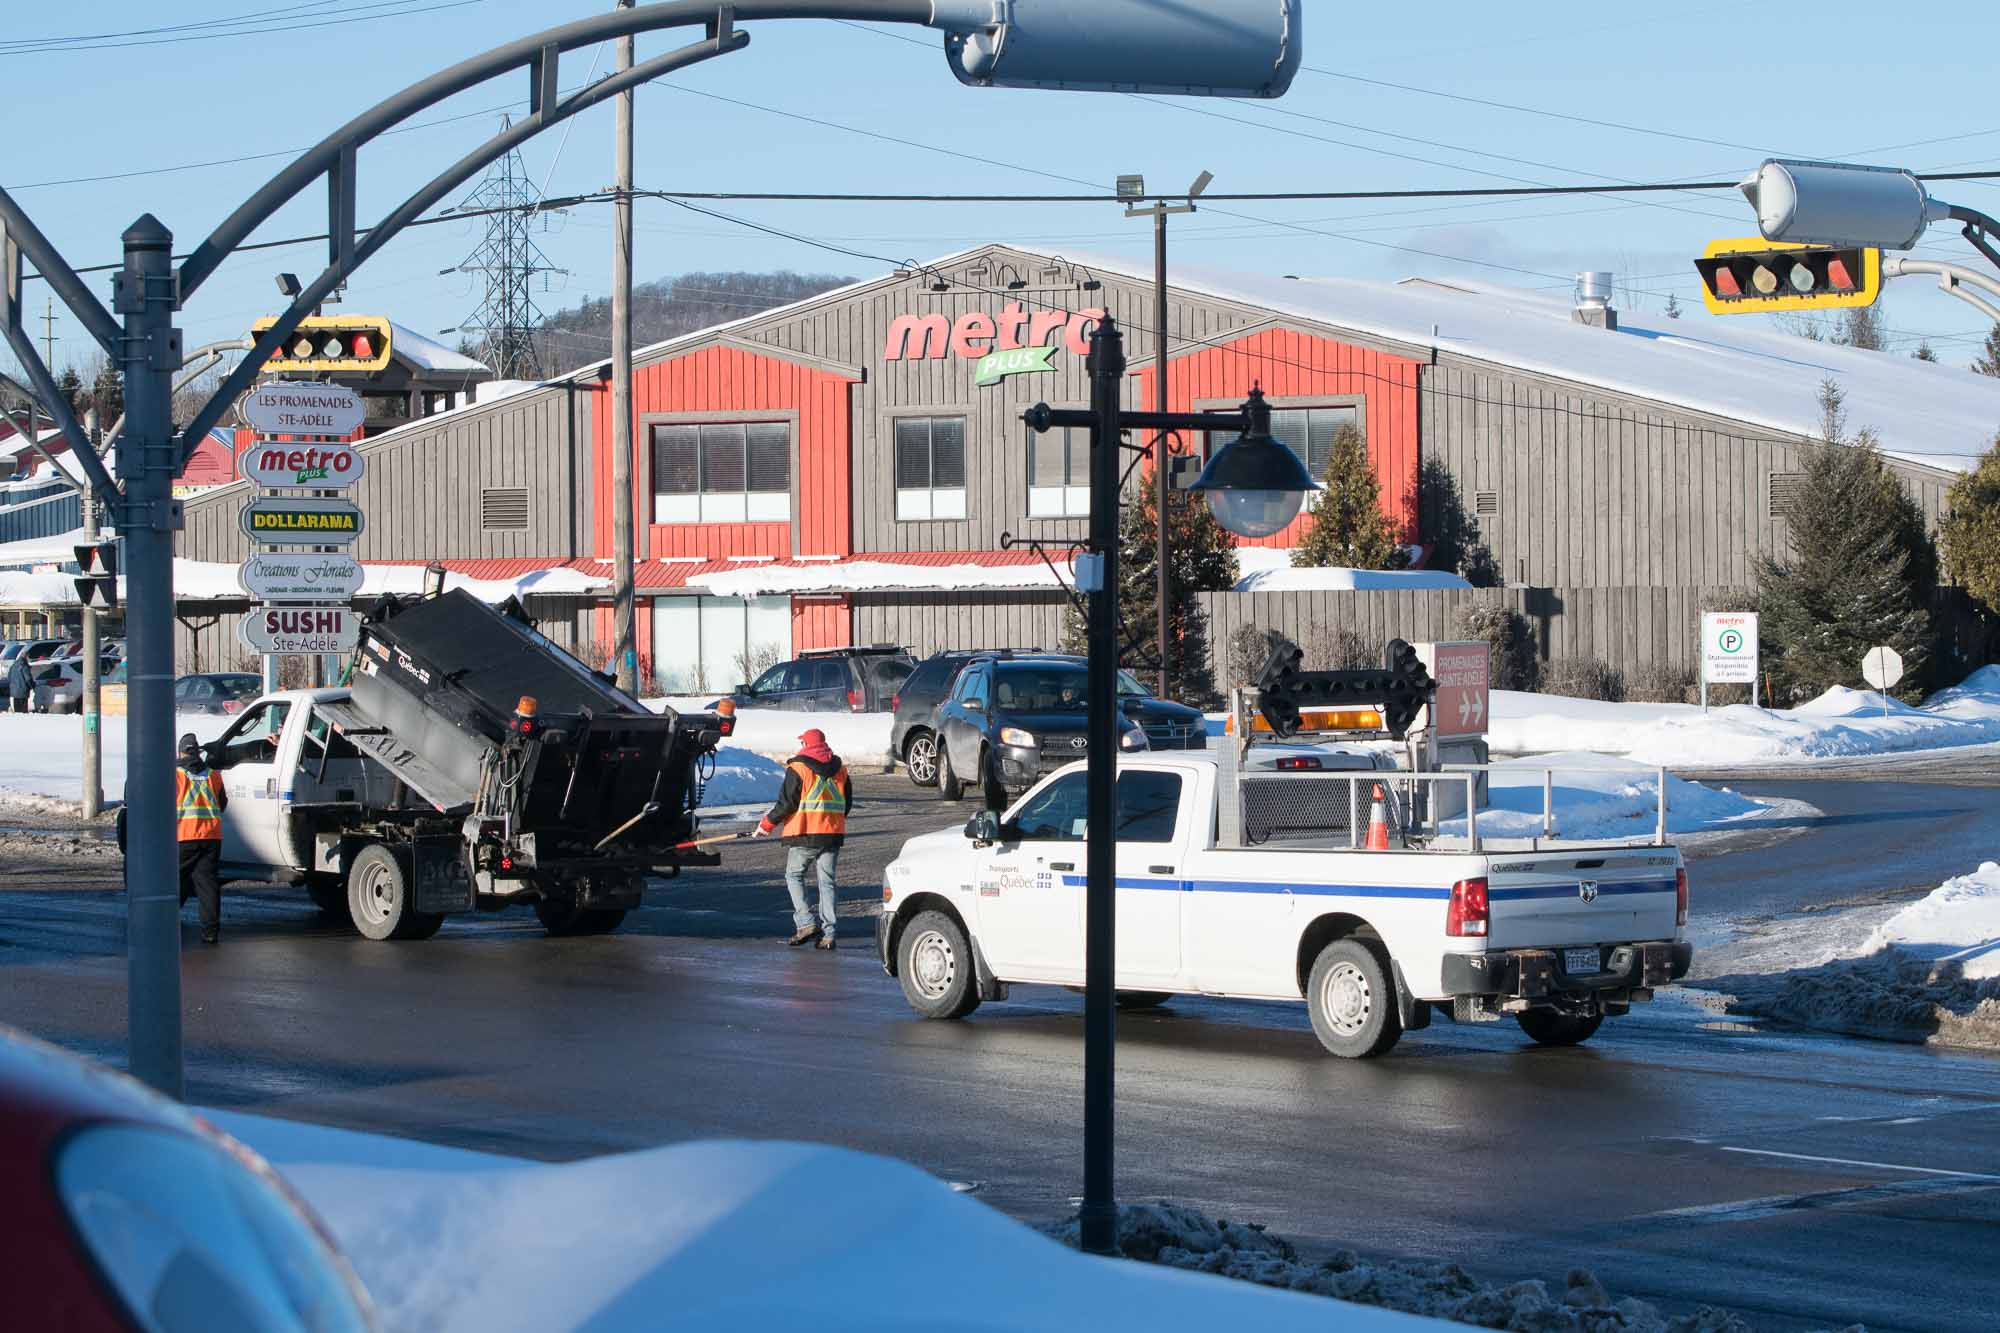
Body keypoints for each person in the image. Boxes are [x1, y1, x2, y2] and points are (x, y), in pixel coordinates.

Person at [752, 727, 852, 949]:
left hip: (805, 834)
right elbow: (847, 803)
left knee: (794, 875)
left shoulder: (798, 767)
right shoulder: (840, 769)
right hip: (832, 834)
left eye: (803, 743)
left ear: (807, 745)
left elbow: (787, 803)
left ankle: (806, 923)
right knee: (827, 882)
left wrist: (767, 824)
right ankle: (829, 935)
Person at [175, 733, 228, 945]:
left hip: (183, 836)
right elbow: (222, 804)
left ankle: (164, 922)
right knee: (208, 885)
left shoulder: (175, 775)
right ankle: (210, 931)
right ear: (197, 752)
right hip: (211, 837)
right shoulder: (213, 775)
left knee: (174, 881)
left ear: (180, 752)